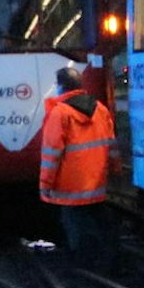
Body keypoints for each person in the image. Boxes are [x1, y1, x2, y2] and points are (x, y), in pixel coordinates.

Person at [39, 67, 121, 271]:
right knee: (99, 220)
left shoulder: (59, 113)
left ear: (61, 86)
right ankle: (110, 258)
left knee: (74, 223)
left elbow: (51, 155)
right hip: (97, 181)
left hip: (70, 184)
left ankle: (83, 263)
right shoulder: (100, 109)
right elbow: (111, 145)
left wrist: (45, 184)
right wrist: (115, 170)